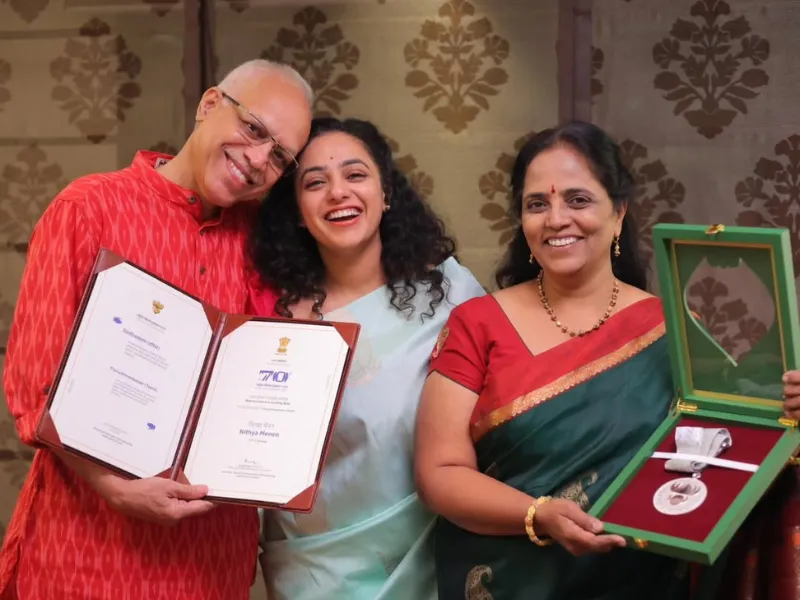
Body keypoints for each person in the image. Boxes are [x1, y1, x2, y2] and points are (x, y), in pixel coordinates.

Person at [413, 121, 800, 600]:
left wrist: (785, 415)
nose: (556, 219)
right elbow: (441, 473)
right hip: (508, 578)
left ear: (618, 214)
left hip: (643, 581)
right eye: (537, 204)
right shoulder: (477, 324)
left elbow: (726, 450)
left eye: (577, 200)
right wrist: (538, 515)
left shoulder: (671, 326)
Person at [0, 59, 312, 599]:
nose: (259, 160)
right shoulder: (89, 208)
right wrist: (113, 488)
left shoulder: (267, 243)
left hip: (211, 561)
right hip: (87, 553)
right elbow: (34, 385)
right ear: (209, 104)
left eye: (280, 156)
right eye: (254, 129)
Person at [246, 116, 485, 600]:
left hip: (434, 556)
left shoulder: (452, 297)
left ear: (386, 193)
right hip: (313, 570)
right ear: (296, 210)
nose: (338, 192)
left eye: (355, 175)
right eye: (315, 183)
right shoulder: (272, 322)